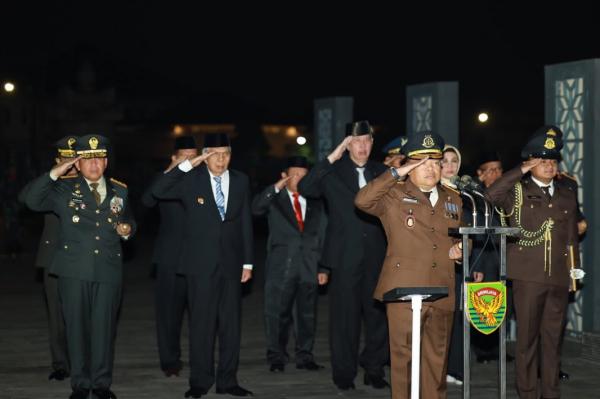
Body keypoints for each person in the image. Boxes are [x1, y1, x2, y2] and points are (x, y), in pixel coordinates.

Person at [23, 134, 135, 399]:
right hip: (74, 270)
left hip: (108, 270)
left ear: (106, 162)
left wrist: (128, 229)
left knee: (104, 329)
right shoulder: (63, 189)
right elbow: (30, 199)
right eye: (87, 159)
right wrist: (56, 171)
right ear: (78, 163)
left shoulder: (120, 189)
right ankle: (81, 384)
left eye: (99, 158)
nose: (94, 164)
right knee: (75, 329)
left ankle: (102, 384)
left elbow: (128, 218)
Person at [355, 131, 463, 399]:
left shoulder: (454, 198)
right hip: (404, 290)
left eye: (435, 162)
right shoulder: (393, 194)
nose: (430, 168)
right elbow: (362, 200)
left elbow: (462, 236)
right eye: (421, 162)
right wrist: (396, 173)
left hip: (442, 289)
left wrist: (462, 249)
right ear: (409, 165)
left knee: (436, 361)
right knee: (403, 359)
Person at [151, 133, 254, 398]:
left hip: (232, 264)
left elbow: (245, 222)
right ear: (205, 155)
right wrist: (189, 164)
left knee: (231, 326)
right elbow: (158, 190)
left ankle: (228, 381)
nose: (221, 159)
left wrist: (248, 261)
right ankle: (200, 380)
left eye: (226, 154)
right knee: (202, 325)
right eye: (215, 154)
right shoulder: (191, 179)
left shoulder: (241, 180)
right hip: (199, 264)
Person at [486, 126, 579, 399]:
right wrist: (521, 169)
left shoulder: (566, 192)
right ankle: (527, 393)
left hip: (559, 279)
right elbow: (490, 196)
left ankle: (551, 393)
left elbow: (572, 236)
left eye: (552, 160)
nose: (549, 165)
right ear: (531, 162)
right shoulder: (517, 190)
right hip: (528, 277)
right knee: (527, 342)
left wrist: (574, 275)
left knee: (552, 343)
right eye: (542, 160)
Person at [298, 120, 390, 390]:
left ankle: (374, 369)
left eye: (367, 141)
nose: (362, 146)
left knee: (377, 319)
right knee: (344, 320)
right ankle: (343, 374)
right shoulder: (333, 172)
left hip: (377, 255)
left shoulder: (382, 172)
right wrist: (331, 156)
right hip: (343, 257)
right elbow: (306, 189)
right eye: (356, 141)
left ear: (372, 143)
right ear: (347, 144)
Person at [252, 156, 328, 373]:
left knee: (307, 314)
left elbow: (323, 235)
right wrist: (276, 187)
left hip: (309, 266)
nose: (299, 179)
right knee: (277, 313)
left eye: (304, 175)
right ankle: (277, 356)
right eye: (294, 174)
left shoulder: (316, 202)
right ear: (284, 176)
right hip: (281, 267)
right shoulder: (274, 200)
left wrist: (323, 268)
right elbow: (256, 208)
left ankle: (305, 356)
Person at [18, 136, 78, 382]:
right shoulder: (50, 185)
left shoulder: (90, 182)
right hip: (53, 258)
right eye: (66, 159)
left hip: (81, 258)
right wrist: (53, 173)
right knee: (56, 315)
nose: (72, 164)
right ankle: (61, 363)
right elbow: (24, 197)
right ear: (58, 161)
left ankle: (82, 361)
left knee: (81, 314)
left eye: (75, 159)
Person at [141, 135, 197, 377]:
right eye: (184, 158)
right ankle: (170, 361)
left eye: (194, 158)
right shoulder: (164, 181)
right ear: (174, 159)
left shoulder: (204, 180)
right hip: (170, 258)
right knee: (168, 315)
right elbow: (147, 200)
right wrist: (171, 171)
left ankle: (201, 359)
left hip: (198, 258)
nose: (190, 162)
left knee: (201, 314)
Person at [440, 144, 484, 386]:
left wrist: (474, 263)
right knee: (440, 317)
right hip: (438, 262)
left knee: (459, 317)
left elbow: (474, 232)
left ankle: (456, 368)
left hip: (461, 261)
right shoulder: (430, 189)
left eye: (454, 161)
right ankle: (439, 367)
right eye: (444, 161)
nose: (449, 166)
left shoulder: (466, 192)